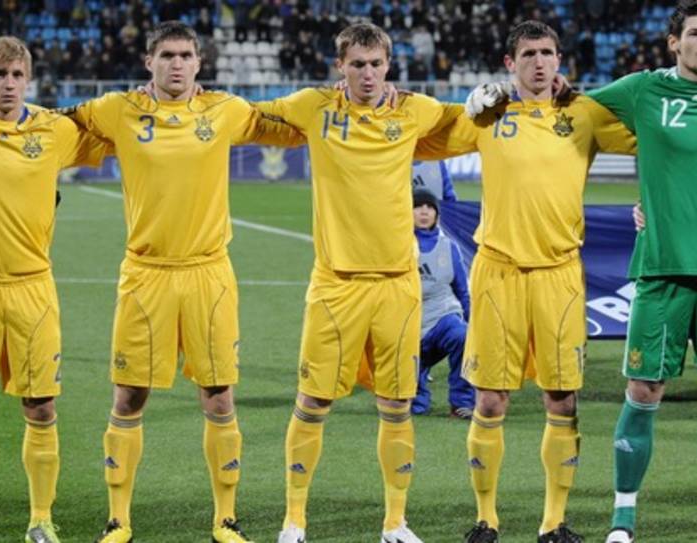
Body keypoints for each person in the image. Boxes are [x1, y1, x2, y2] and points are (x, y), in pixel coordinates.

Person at [0, 21, 302, 543]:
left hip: (208, 273)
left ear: (199, 63)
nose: (177, 64)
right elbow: (43, 120)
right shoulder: (117, 109)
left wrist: (350, 99)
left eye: (185, 55)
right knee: (128, 398)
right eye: (167, 55)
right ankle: (118, 520)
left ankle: (225, 519)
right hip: (144, 275)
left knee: (219, 398)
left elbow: (293, 123)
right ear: (149, 62)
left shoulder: (225, 110)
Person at [417, 20, 636, 543]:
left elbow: (657, 134)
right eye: (529, 54)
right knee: (490, 400)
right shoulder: (488, 114)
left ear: (560, 59)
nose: (539, 62)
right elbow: (420, 136)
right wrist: (465, 104)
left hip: (559, 276)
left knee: (562, 400)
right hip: (498, 274)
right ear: (509, 62)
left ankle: (553, 522)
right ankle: (486, 519)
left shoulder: (584, 114)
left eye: (547, 53)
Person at [256, 22, 457, 543]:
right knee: (312, 403)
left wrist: (500, 98)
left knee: (396, 405)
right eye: (358, 64)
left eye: (376, 64)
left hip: (397, 286)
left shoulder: (414, 109)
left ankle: (395, 523)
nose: (368, 74)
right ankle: (294, 520)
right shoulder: (314, 106)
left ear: (389, 65)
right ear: (339, 66)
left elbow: (467, 121)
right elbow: (248, 116)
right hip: (336, 285)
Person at [584, 1, 697, 541]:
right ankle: (622, 519)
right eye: (694, 33)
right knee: (643, 391)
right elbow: (572, 112)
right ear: (673, 42)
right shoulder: (642, 90)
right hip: (661, 269)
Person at [0, 36, 109, 543]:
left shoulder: (53, 129)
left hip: (33, 289)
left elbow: (111, 130)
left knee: (41, 408)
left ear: (28, 80)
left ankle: (40, 519)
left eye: (17, 75)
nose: (9, 84)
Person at [410, 189, 474, 418]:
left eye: (430, 207)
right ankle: (416, 400)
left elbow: (462, 290)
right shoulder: (399, 246)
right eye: (418, 206)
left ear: (437, 214)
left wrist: (472, 322)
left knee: (462, 336)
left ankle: (461, 403)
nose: (424, 211)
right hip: (408, 323)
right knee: (411, 406)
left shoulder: (449, 247)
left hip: (442, 317)